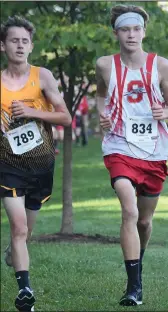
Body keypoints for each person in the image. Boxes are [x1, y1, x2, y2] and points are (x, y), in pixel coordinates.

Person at [96, 4, 168, 307]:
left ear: (144, 32)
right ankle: (134, 288)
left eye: (136, 29)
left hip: (154, 151)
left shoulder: (162, 65)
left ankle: (137, 261)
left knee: (143, 221)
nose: (131, 34)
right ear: (116, 32)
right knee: (128, 211)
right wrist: (102, 116)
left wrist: (164, 112)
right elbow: (101, 94)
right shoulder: (105, 64)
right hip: (119, 146)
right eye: (125, 29)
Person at [0, 15, 72, 311]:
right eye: (13, 40)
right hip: (7, 164)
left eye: (24, 41)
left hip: (41, 165)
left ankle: (12, 253)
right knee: (18, 228)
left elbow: (65, 117)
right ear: (3, 46)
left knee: (26, 231)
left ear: (31, 46)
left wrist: (33, 111)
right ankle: (25, 292)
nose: (19, 45)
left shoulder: (42, 76)